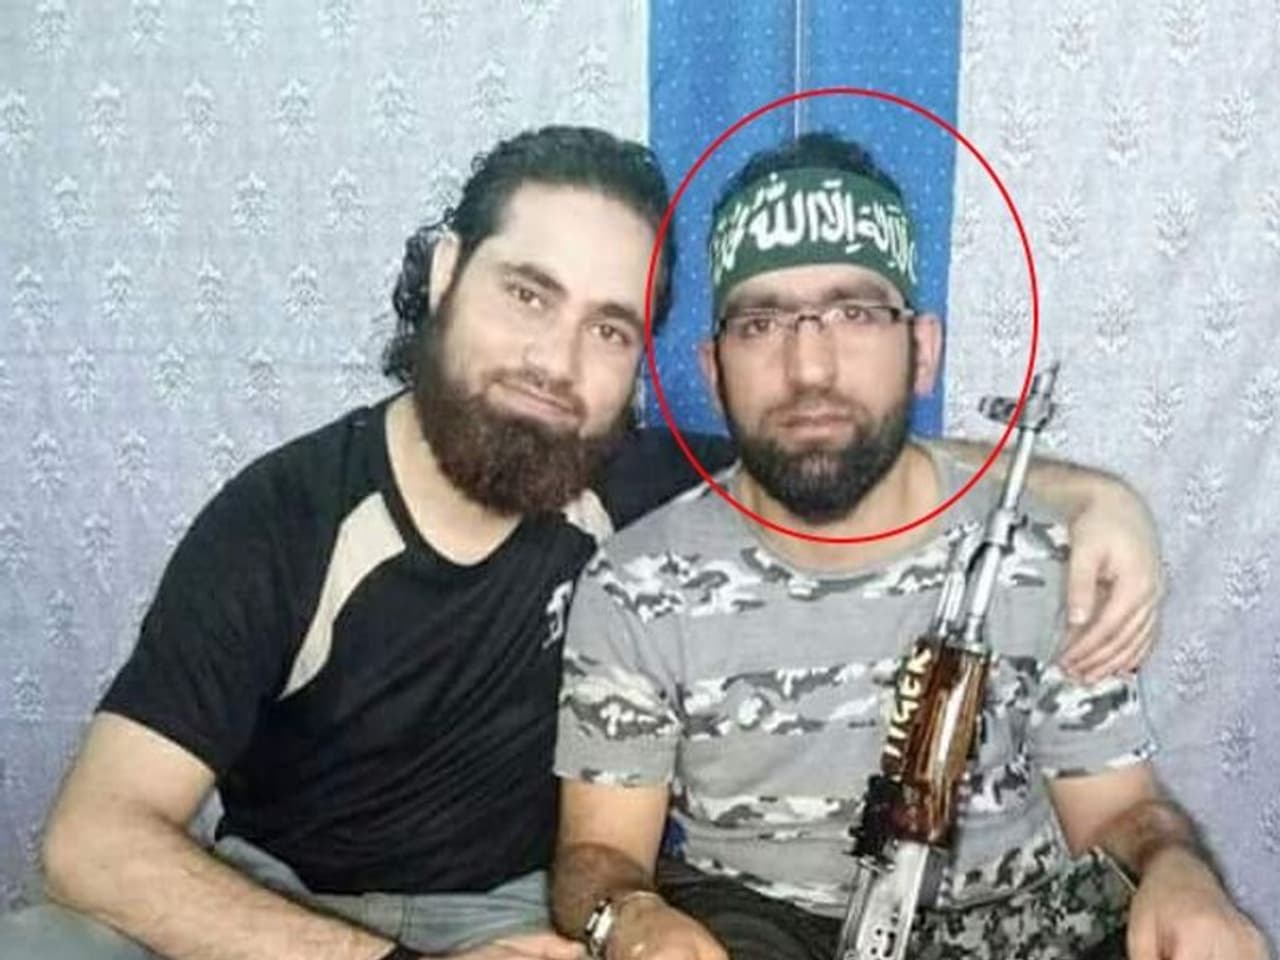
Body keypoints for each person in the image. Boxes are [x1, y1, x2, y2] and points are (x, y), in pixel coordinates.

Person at [1, 126, 1161, 960]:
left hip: (520, 924)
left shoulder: (630, 478)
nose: (555, 364)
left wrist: (1087, 496)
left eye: (607, 328)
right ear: (445, 273)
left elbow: (839, 446)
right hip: (280, 910)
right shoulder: (287, 517)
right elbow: (92, 840)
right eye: (526, 294)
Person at [550, 133, 1269, 960]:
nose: (809, 367)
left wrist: (1178, 872)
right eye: (761, 322)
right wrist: (631, 920)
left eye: (856, 313)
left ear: (922, 352)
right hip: (761, 931)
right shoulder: (638, 583)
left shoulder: (1041, 555)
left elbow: (1119, 813)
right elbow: (597, 856)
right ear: (713, 371)